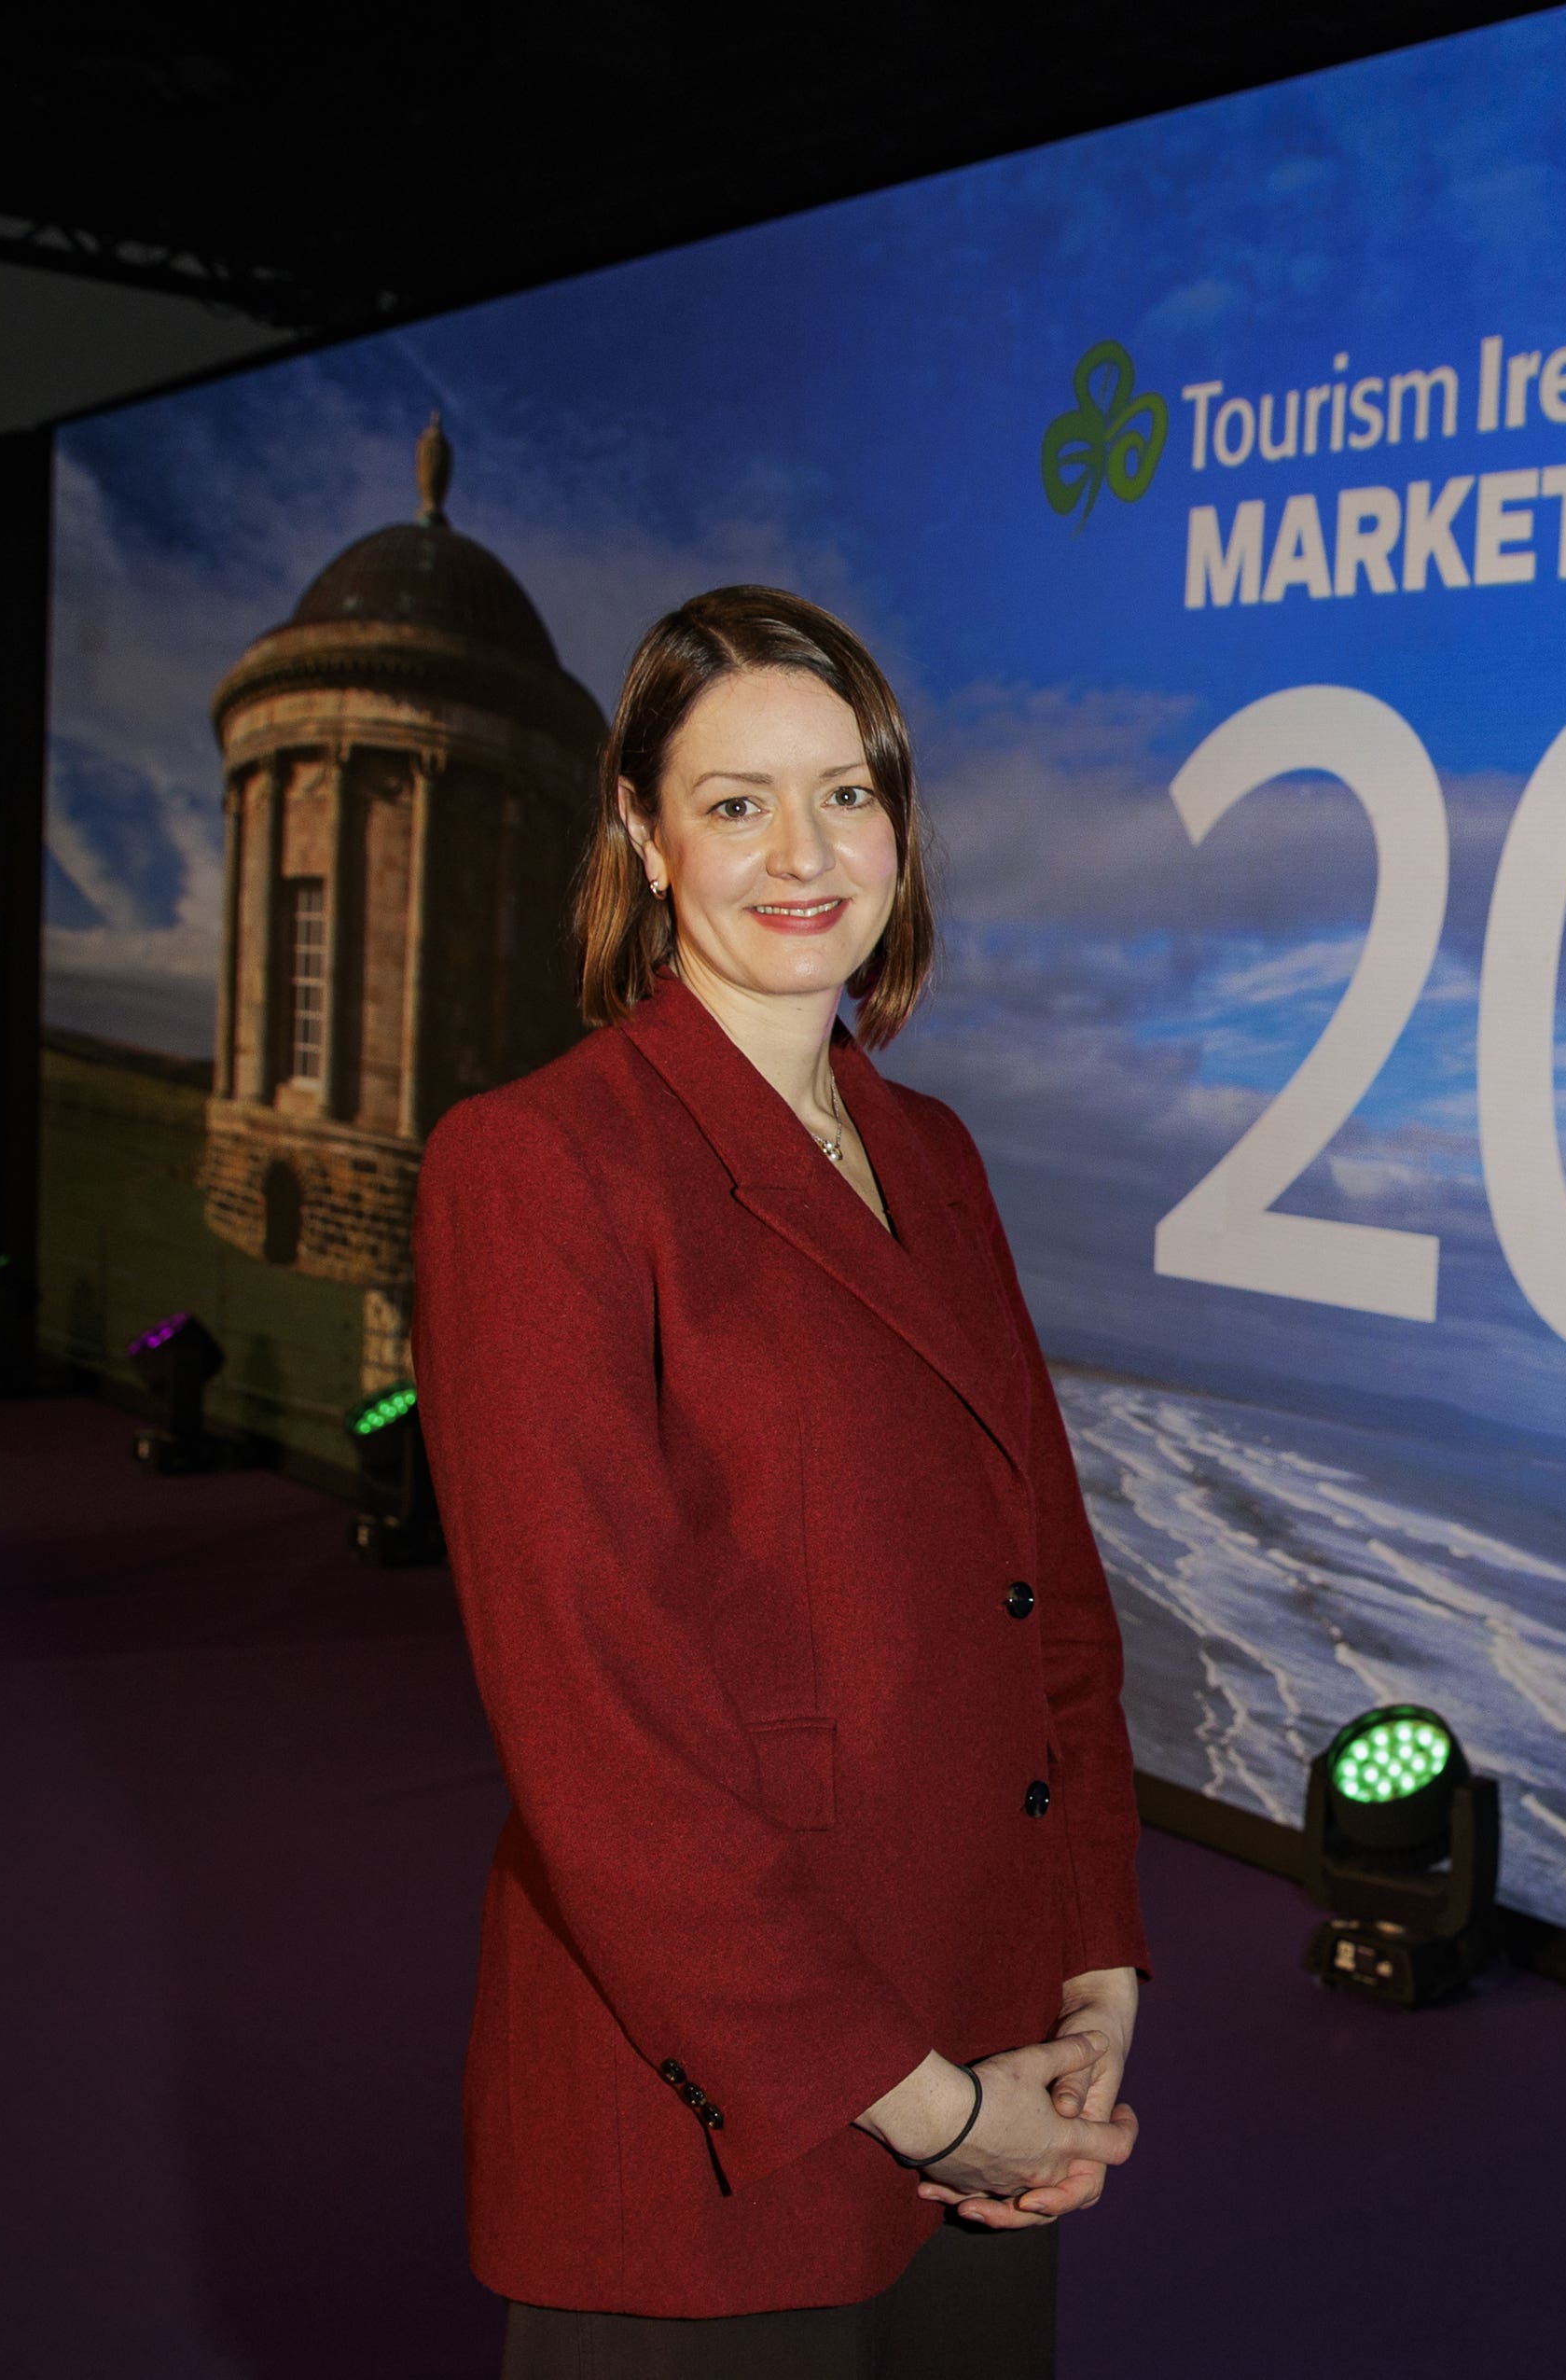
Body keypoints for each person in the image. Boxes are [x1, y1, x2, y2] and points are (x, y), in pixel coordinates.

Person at [412, 584, 1146, 2377]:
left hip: (986, 2045)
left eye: (846, 793)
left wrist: (1092, 1952)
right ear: (645, 840)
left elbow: (1040, 1574)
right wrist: (915, 2103)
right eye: (736, 802)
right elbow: (600, 1735)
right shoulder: (539, 1168)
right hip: (720, 2128)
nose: (801, 852)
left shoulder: (932, 1150)